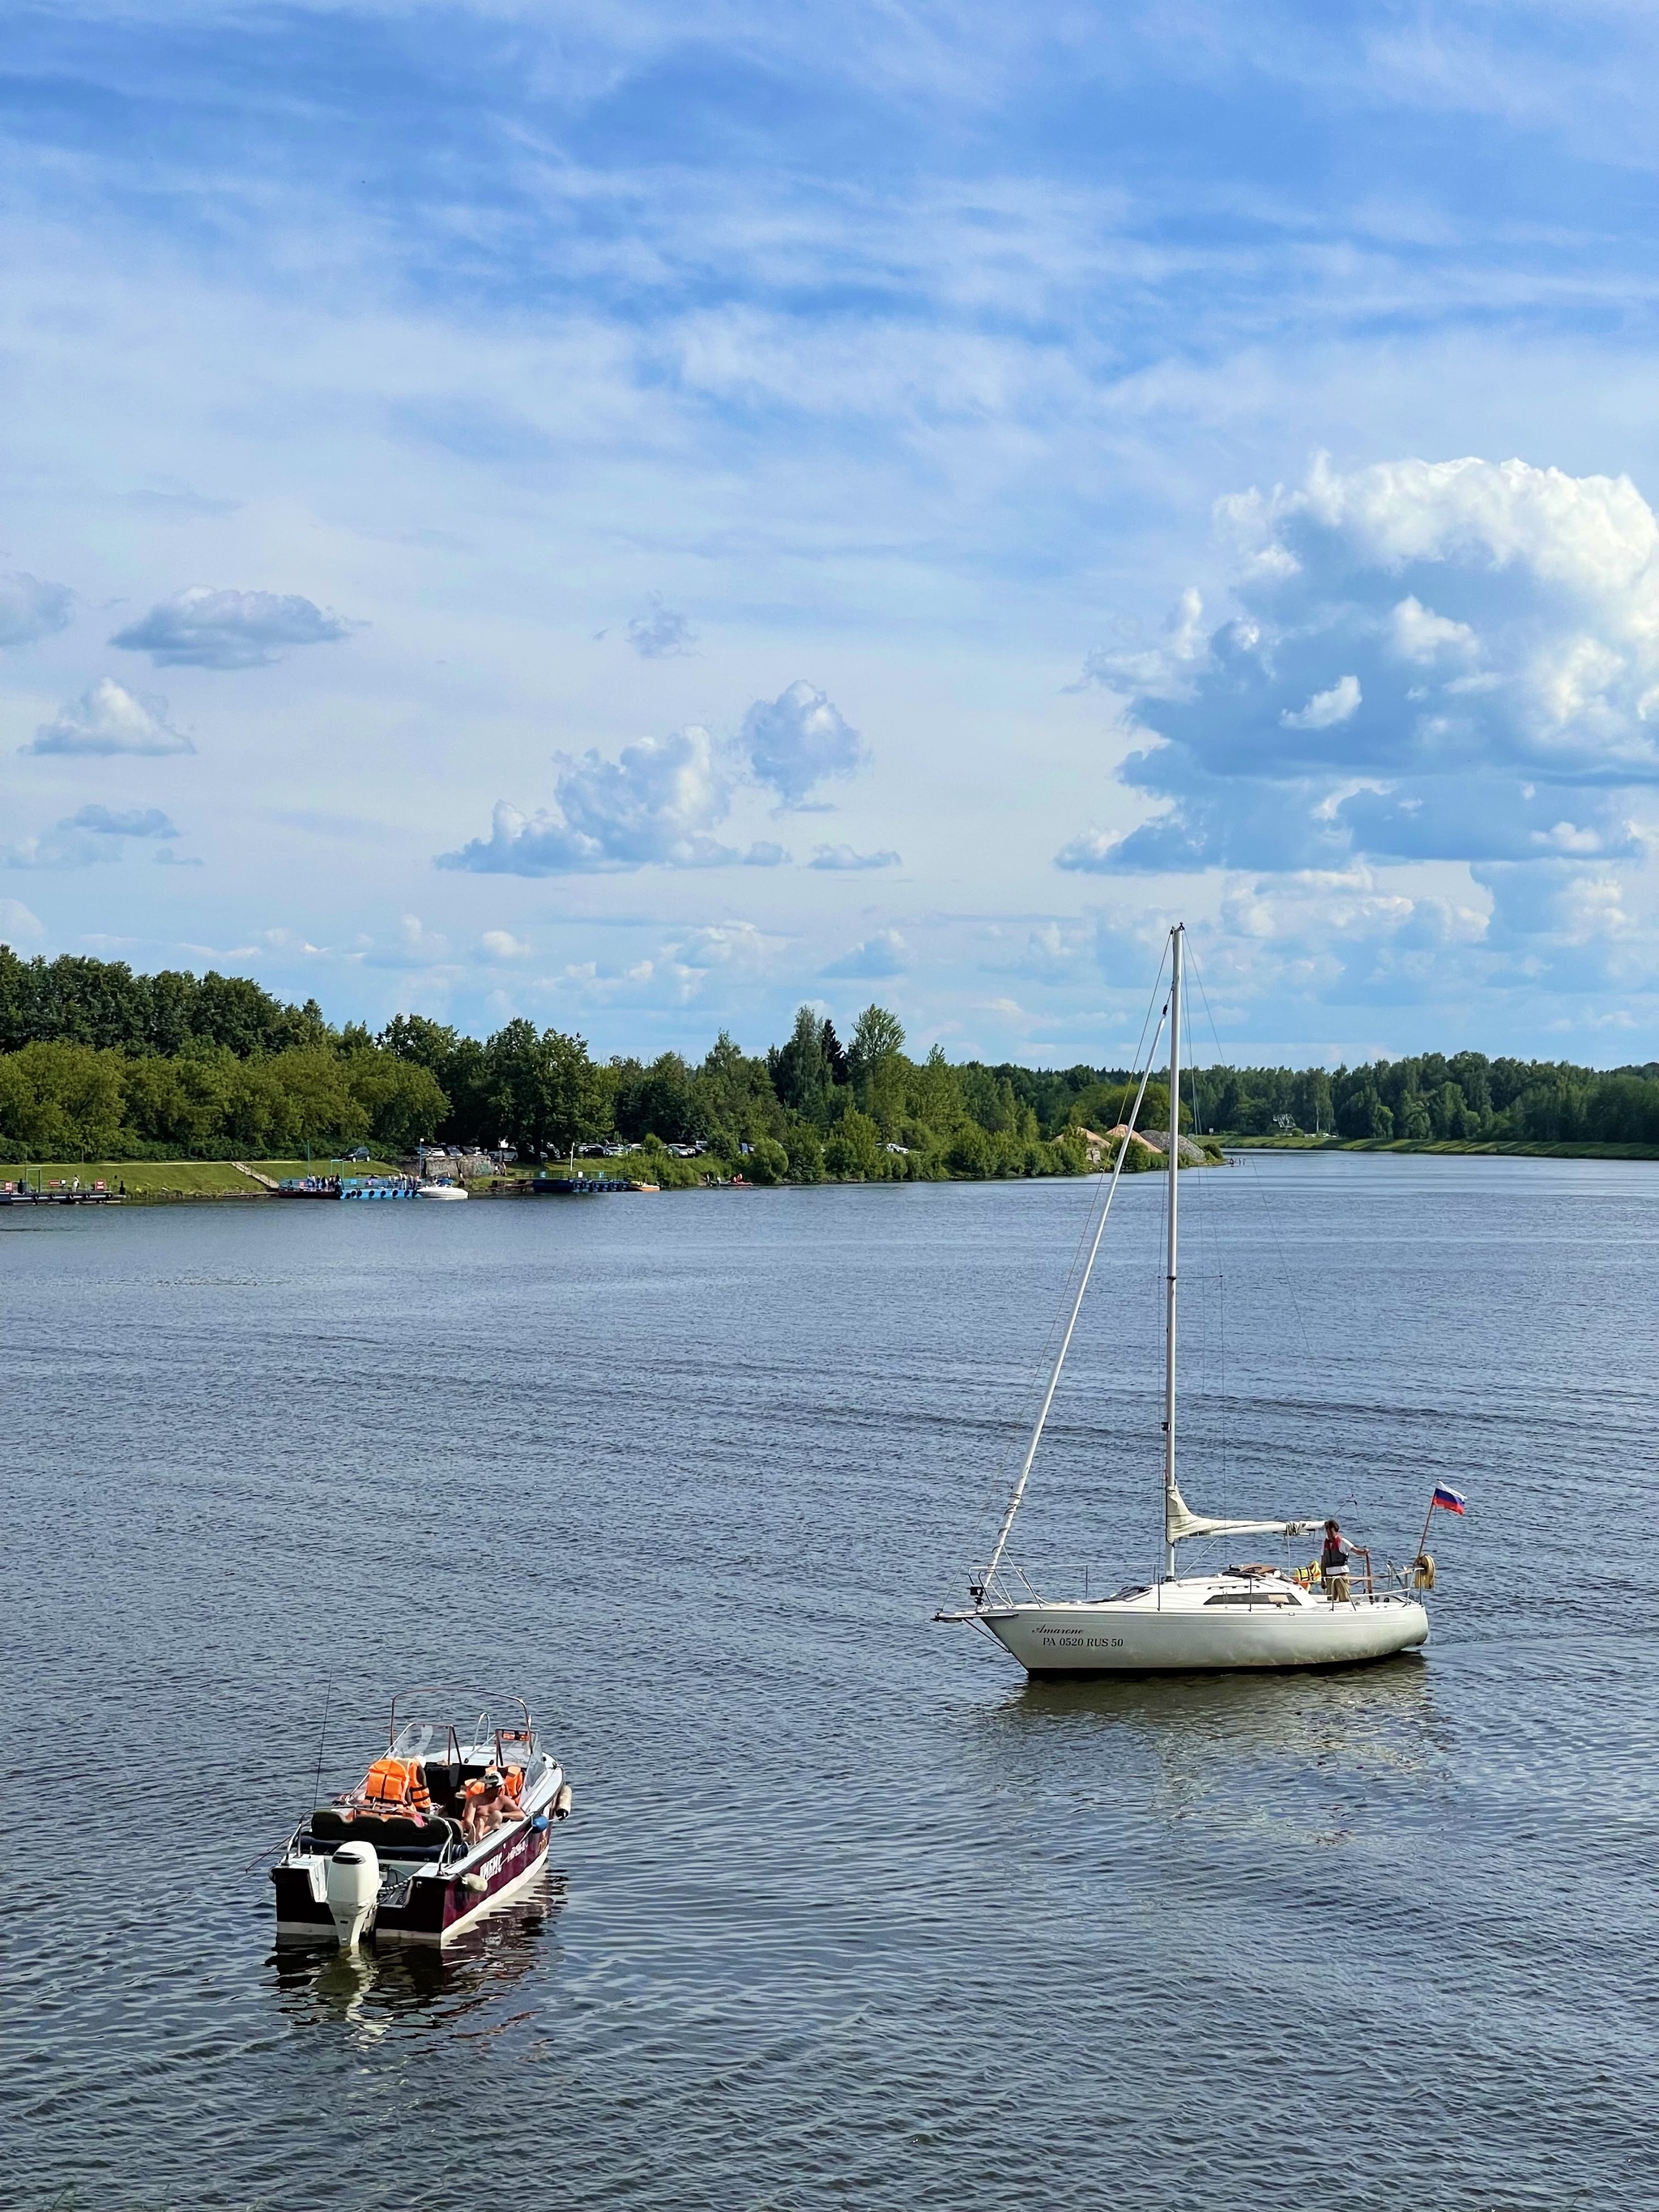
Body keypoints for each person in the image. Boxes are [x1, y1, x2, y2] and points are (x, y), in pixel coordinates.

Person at [461, 1766, 514, 1844]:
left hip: (490, 1830)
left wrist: (502, 1815)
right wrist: (472, 1829)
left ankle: (479, 1835)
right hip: (474, 1830)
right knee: (476, 1824)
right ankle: (475, 1835)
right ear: (488, 1788)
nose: (500, 1789)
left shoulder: (503, 1800)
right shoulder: (474, 1800)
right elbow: (468, 1820)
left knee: (497, 1815)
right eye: (497, 1787)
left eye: (500, 1786)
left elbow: (521, 1815)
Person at [1320, 1519, 1353, 1600]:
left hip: (1341, 1575)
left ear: (1336, 1531)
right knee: (1330, 1599)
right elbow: (1323, 1562)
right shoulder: (1325, 1544)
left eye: (1331, 1532)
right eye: (1328, 1533)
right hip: (1330, 1576)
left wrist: (1364, 1552)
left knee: (1344, 1597)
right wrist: (1323, 1578)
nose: (1330, 1535)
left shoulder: (1343, 1542)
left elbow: (1356, 1551)